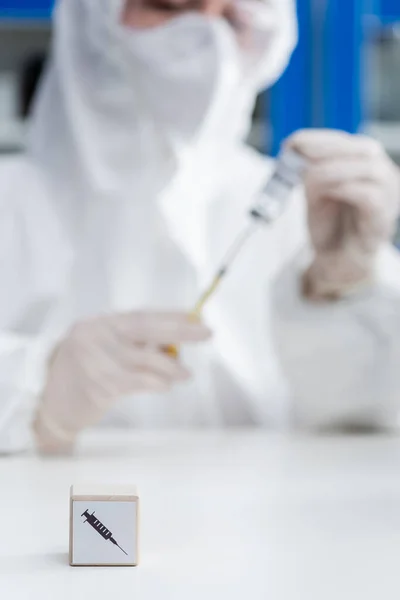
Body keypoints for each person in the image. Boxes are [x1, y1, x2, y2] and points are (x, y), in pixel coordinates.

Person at [1, 0, 400, 454]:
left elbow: (376, 432)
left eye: (233, 17)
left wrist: (347, 290)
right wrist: (33, 389)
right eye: (170, 6)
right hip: (52, 525)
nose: (207, 37)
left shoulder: (302, 215)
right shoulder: (9, 205)